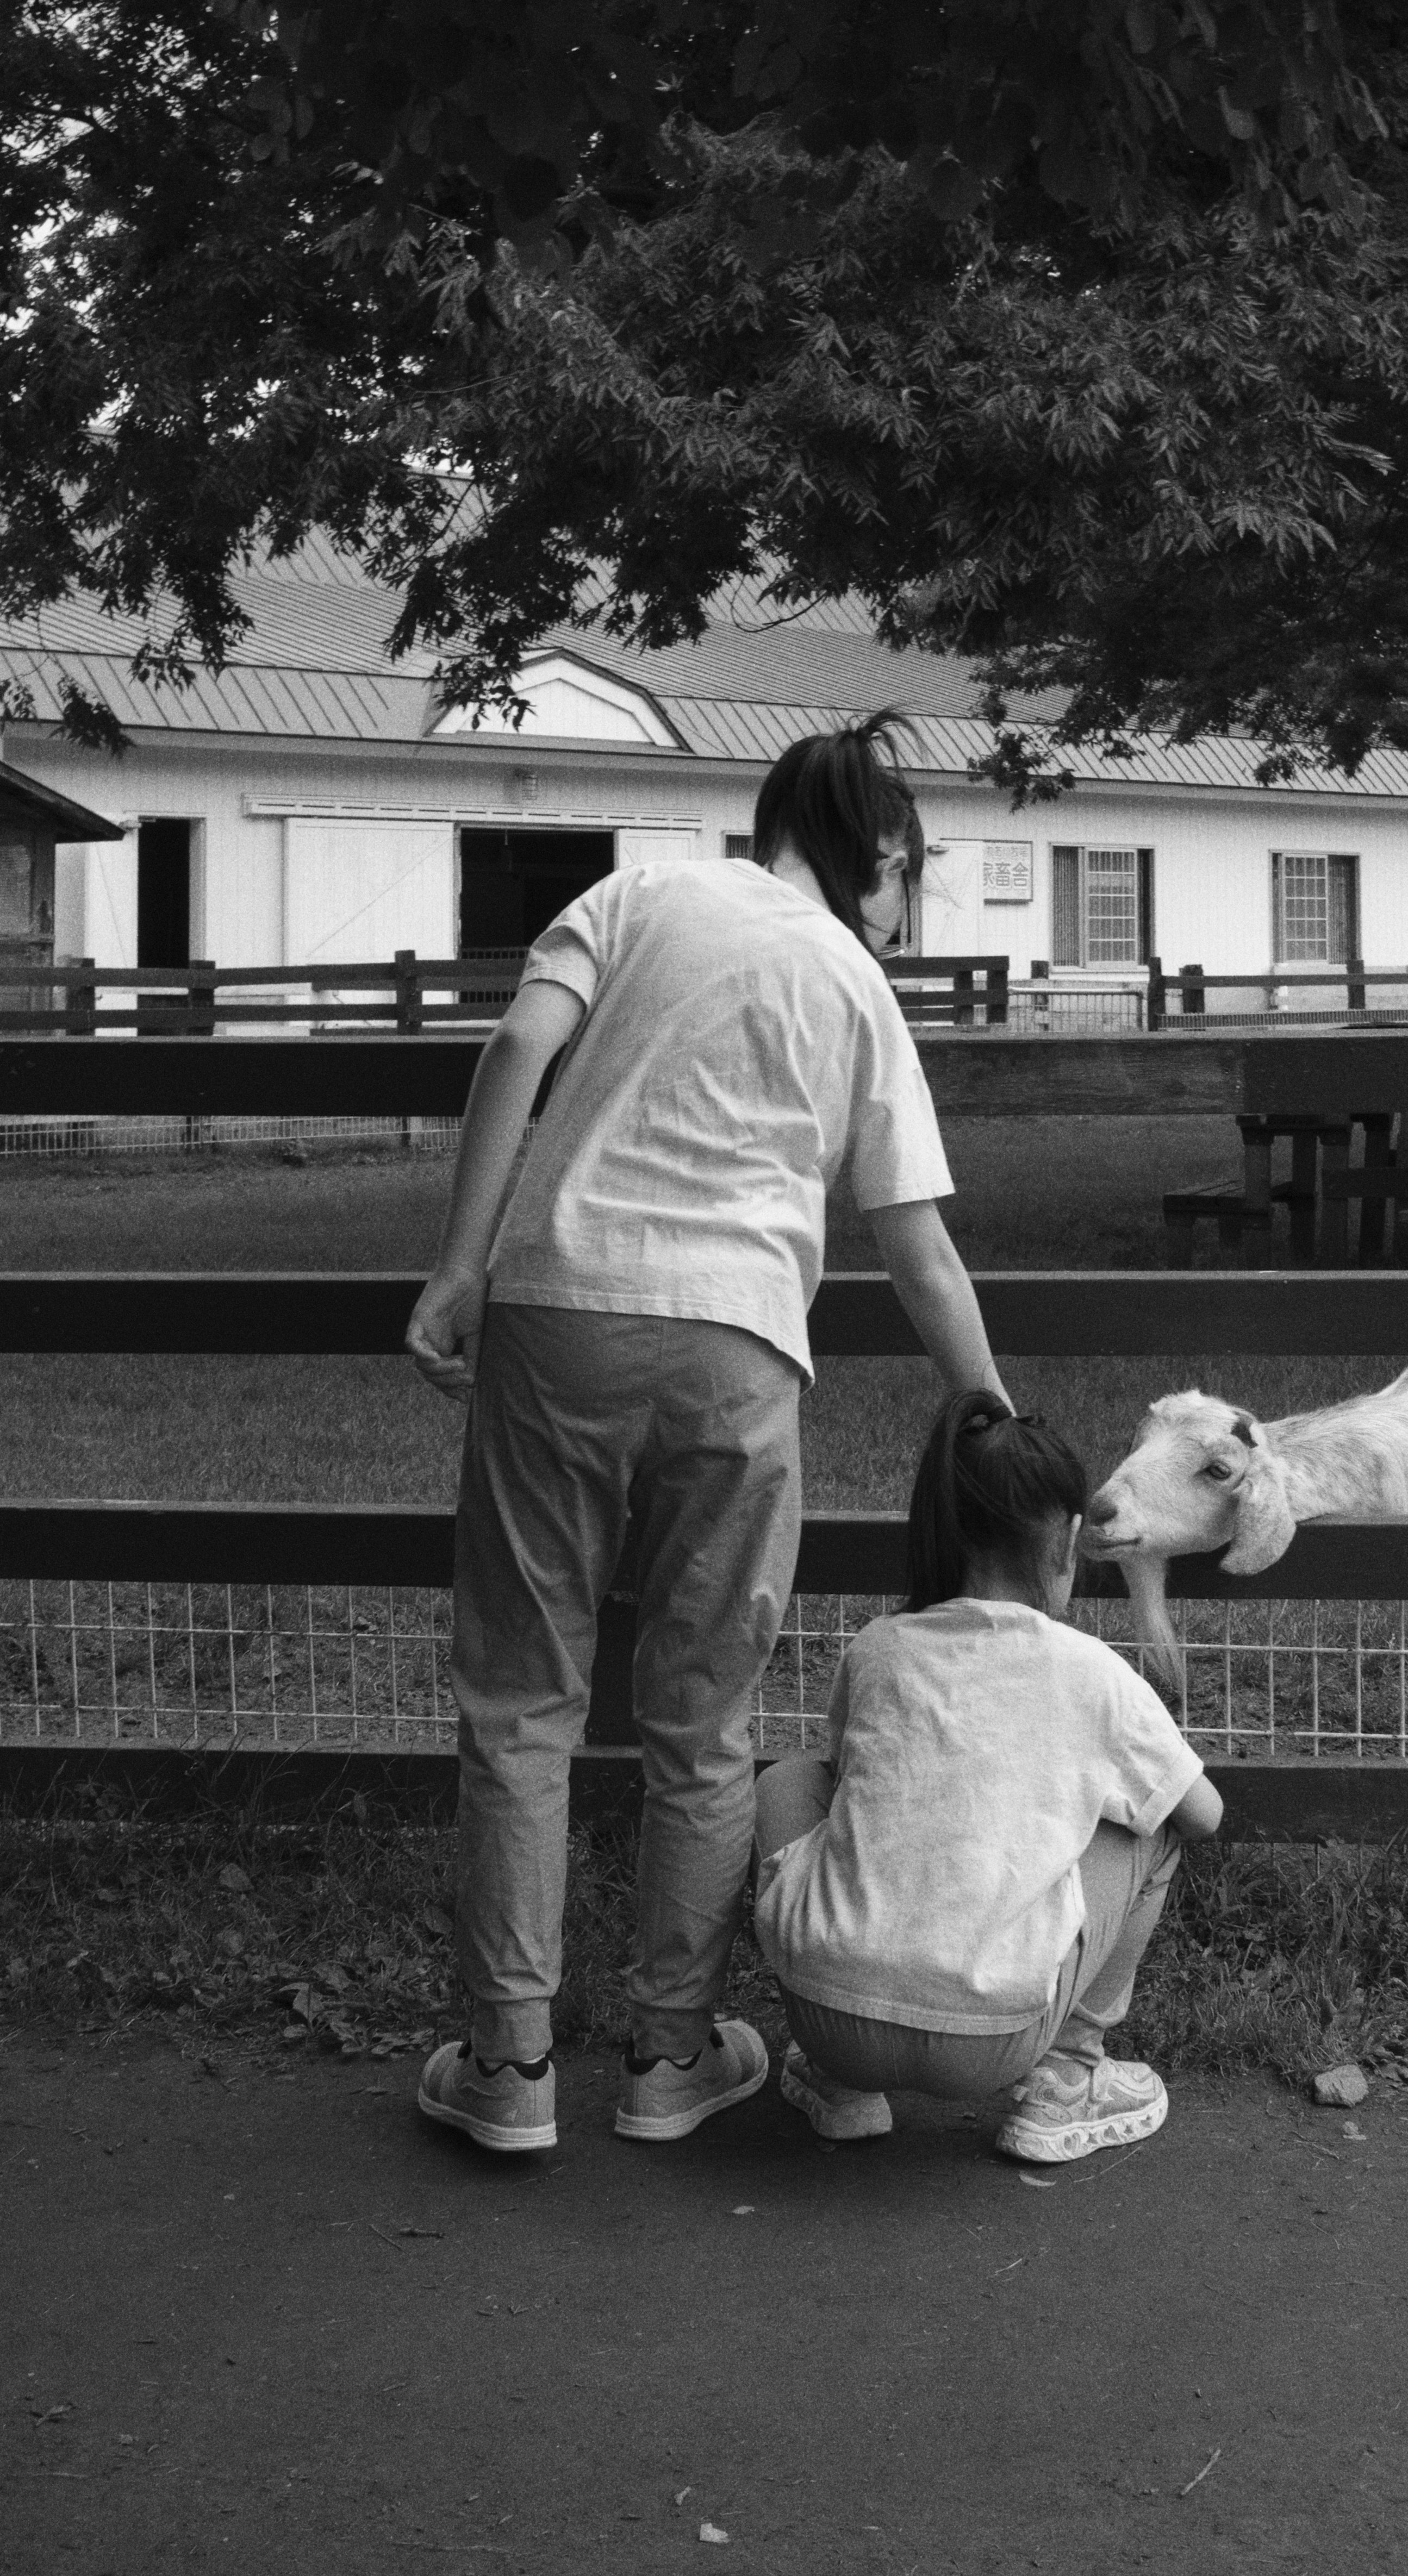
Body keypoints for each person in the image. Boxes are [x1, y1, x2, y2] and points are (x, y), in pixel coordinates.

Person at [408, 713, 1006, 2158]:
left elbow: (515, 1047)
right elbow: (916, 1246)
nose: (905, 900)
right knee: (700, 1720)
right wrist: (990, 1403)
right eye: (906, 868)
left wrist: (459, 1264)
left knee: (521, 1703)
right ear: (871, 853)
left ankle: (506, 2068)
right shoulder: (855, 985)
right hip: (738, 1345)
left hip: (556, 1313)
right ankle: (671, 2057)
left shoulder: (639, 895)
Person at [752, 1395, 1224, 2165]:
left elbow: (842, 1783)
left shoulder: (877, 1649)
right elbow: (1203, 1813)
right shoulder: (1096, 1676)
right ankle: (1068, 2079)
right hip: (991, 2041)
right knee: (1159, 1818)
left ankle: (839, 2088)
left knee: (790, 1780)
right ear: (1069, 1542)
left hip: (829, 2018)